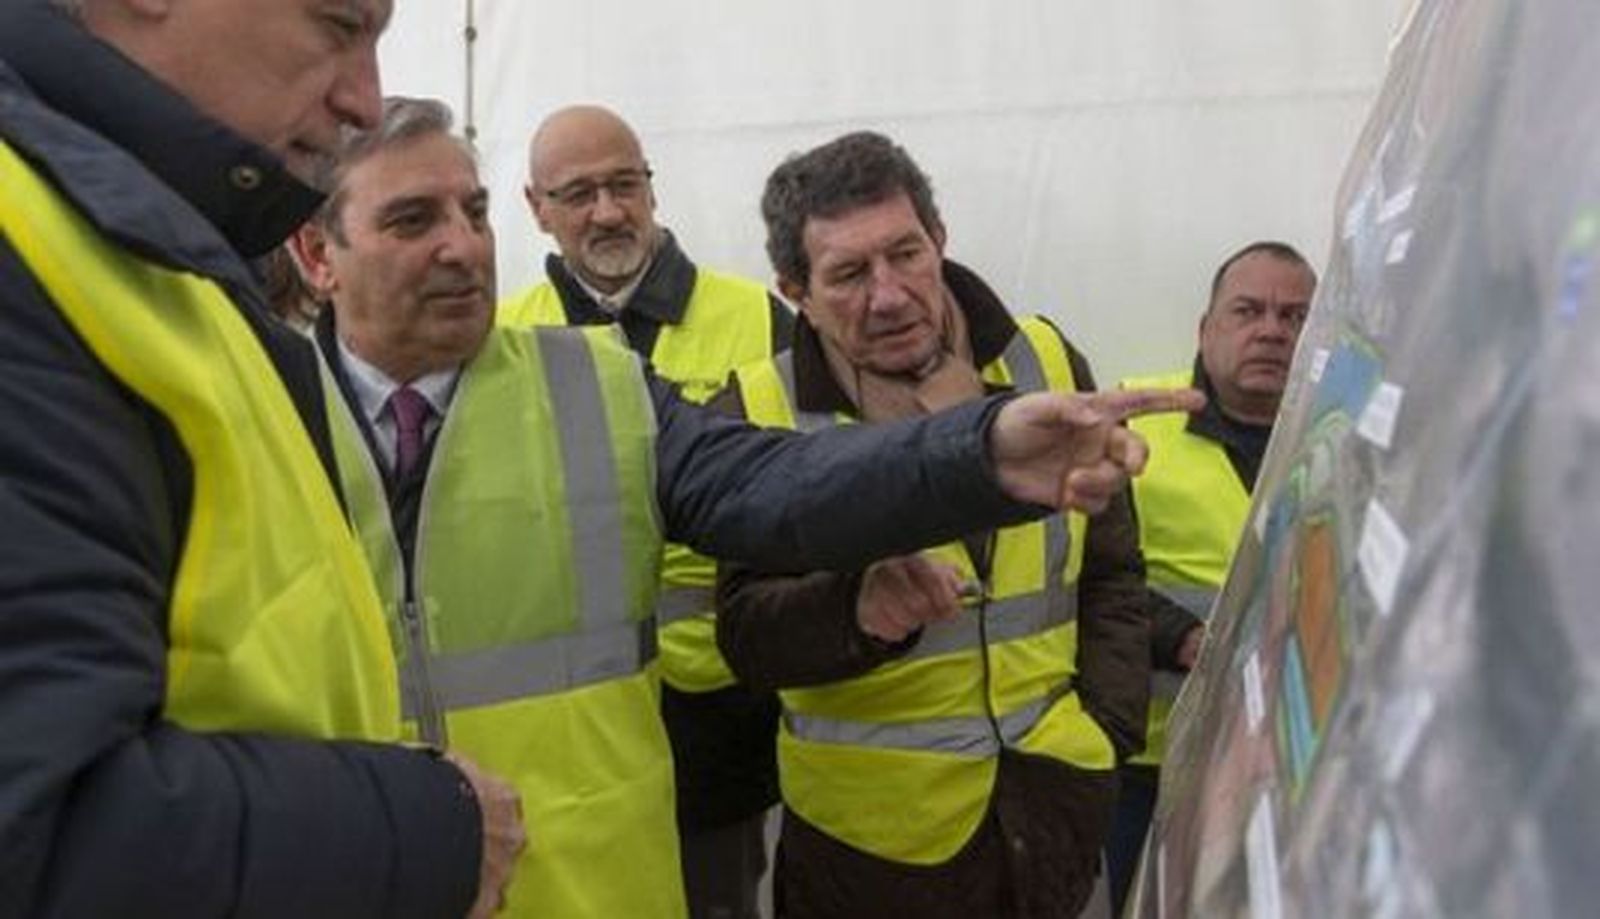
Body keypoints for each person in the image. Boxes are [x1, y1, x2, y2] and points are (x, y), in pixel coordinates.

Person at [289, 99, 1200, 919]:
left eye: (474, 212)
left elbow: (785, 485)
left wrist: (982, 450)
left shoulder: (598, 385)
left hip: (597, 881)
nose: (462, 245)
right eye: (413, 220)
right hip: (359, 873)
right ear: (317, 255)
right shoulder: (258, 415)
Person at [0, 2, 530, 917]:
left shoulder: (147, 250)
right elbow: (38, 831)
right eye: (337, 26)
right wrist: (426, 828)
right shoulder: (38, 250)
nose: (365, 99)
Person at [714, 131, 1153, 919]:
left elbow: (1112, 569)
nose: (888, 296)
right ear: (795, 291)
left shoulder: (1045, 359)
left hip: (1049, 813)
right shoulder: (756, 410)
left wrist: (1107, 733)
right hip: (866, 859)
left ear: (940, 239)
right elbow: (745, 636)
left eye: (906, 254)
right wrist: (855, 611)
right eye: (848, 274)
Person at [500, 104, 791, 919]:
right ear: (536, 207)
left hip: (718, 717)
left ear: (651, 189)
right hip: (566, 723)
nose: (607, 211)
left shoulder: (760, 319)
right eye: (578, 193)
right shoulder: (501, 338)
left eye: (624, 184)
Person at [1105, 241, 1316, 913]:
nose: (1273, 331)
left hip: (1288, 773)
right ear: (1206, 329)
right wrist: (1181, 636)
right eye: (1249, 311)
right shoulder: (1133, 423)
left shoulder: (1348, 428)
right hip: (1146, 767)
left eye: (1295, 317)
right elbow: (1077, 576)